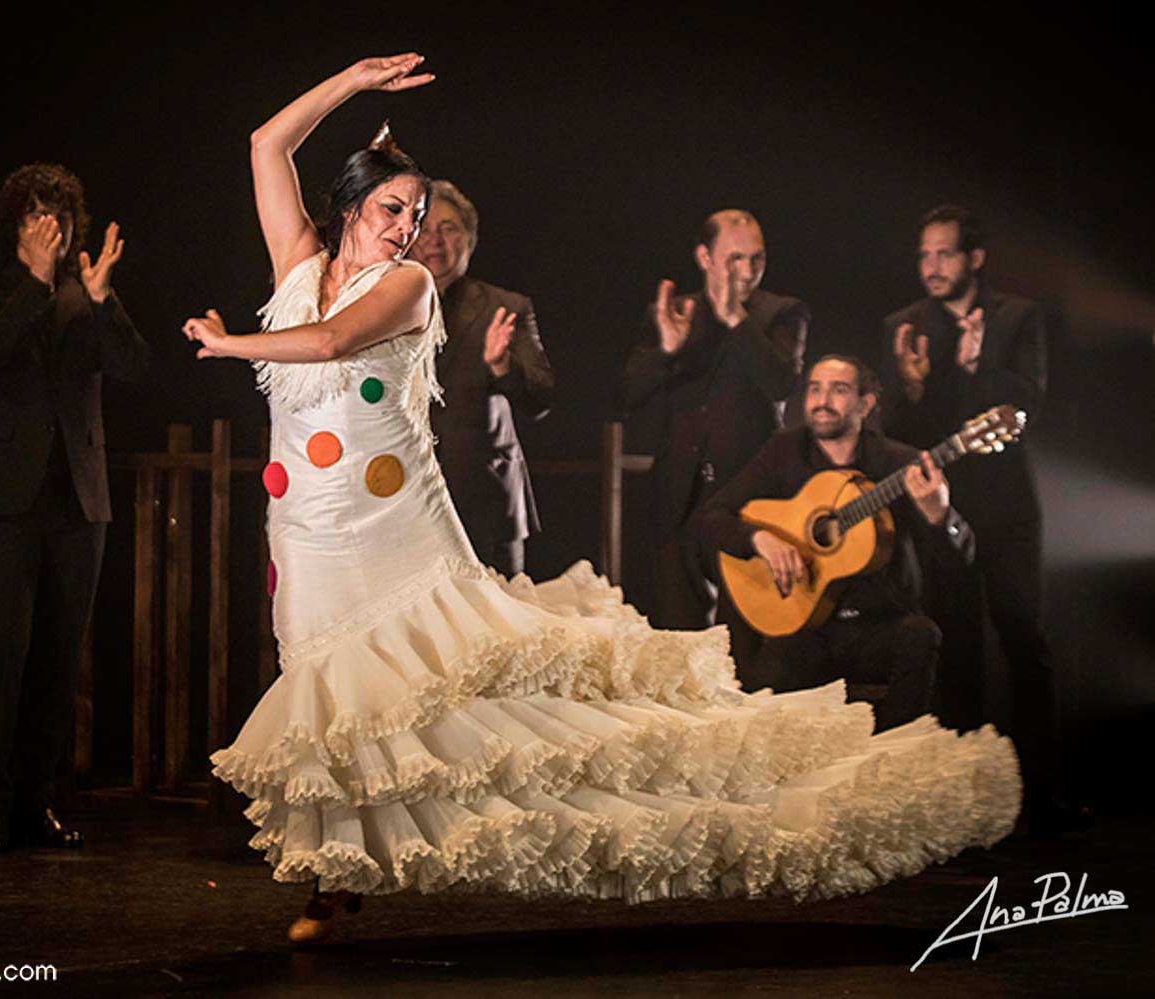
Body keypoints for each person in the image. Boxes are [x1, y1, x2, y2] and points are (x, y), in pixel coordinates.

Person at [182, 55, 1019, 946]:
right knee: (335, 695)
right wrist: (352, 81)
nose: (409, 230)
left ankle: (755, 801)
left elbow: (332, 341)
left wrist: (232, 345)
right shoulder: (298, 266)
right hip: (306, 527)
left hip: (393, 530)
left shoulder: (410, 285)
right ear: (350, 204)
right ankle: (337, 871)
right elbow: (266, 144)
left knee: (475, 695)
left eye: (419, 216)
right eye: (394, 210)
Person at [0, 163, 151, 853]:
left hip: (78, 498)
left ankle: (35, 802)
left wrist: (103, 300)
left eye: (61, 214)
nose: (52, 226)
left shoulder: (82, 292)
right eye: (38, 213)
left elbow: (133, 369)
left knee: (60, 661)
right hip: (4, 500)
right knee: (1, 655)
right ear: (15, 223)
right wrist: (36, 283)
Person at [880, 204, 1082, 836]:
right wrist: (912, 387)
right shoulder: (903, 326)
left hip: (1008, 504)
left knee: (1023, 637)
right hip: (939, 506)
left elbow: (1027, 407)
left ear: (974, 258)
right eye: (925, 255)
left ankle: (1042, 796)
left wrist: (976, 368)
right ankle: (962, 804)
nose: (932, 266)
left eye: (945, 253)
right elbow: (896, 433)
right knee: (955, 642)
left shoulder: (1018, 317)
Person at [696, 357, 973, 732]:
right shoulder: (784, 451)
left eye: (838, 390)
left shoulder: (901, 464)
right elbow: (712, 517)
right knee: (761, 694)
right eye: (815, 389)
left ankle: (894, 752)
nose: (822, 401)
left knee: (921, 637)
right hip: (806, 628)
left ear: (866, 404)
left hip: (878, 623)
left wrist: (939, 515)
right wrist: (760, 539)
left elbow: (959, 561)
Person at [617, 212, 809, 675]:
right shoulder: (674, 311)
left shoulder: (783, 313)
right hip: (678, 495)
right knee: (679, 641)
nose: (747, 271)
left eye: (757, 259)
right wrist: (668, 351)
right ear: (704, 257)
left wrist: (735, 319)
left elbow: (781, 382)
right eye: (735, 259)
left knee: (741, 645)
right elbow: (628, 393)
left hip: (748, 499)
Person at [407, 179, 554, 577]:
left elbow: (541, 399)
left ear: (469, 240)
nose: (435, 240)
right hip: (405, 498)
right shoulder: (384, 306)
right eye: (424, 228)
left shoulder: (505, 307)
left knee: (498, 614)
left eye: (449, 228)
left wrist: (502, 366)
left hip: (485, 499)